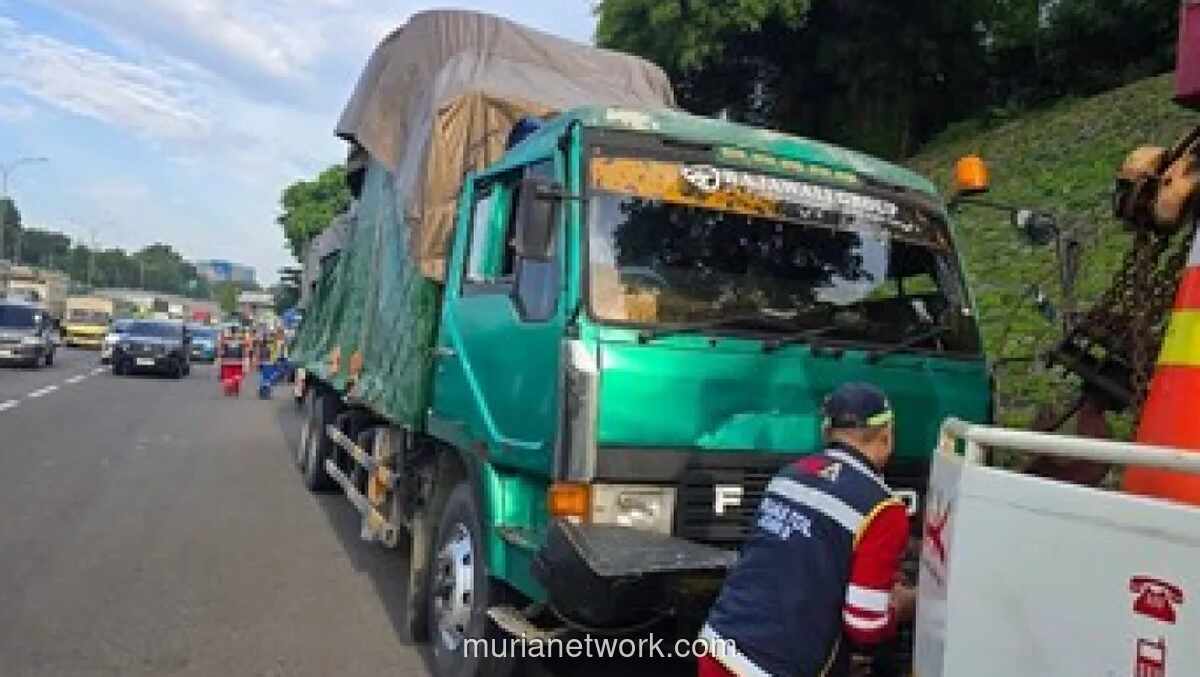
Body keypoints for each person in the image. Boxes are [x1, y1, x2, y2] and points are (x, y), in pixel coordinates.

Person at [698, 382, 916, 677]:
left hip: (719, 643)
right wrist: (905, 604)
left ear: (826, 432)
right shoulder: (883, 509)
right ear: (887, 436)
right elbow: (865, 625)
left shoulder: (787, 477)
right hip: (774, 665)